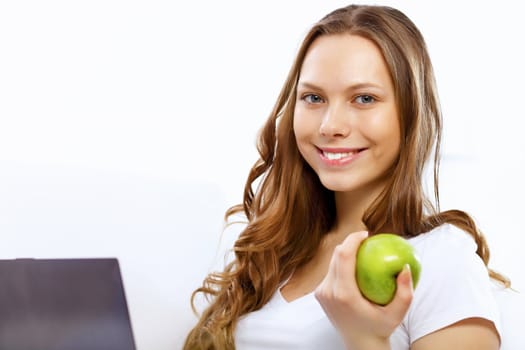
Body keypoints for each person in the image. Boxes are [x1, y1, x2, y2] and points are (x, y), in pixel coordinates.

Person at [183, 4, 510, 350]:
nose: (330, 126)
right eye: (313, 98)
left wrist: (364, 336)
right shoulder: (274, 254)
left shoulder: (443, 260)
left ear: (411, 114)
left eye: (364, 98)